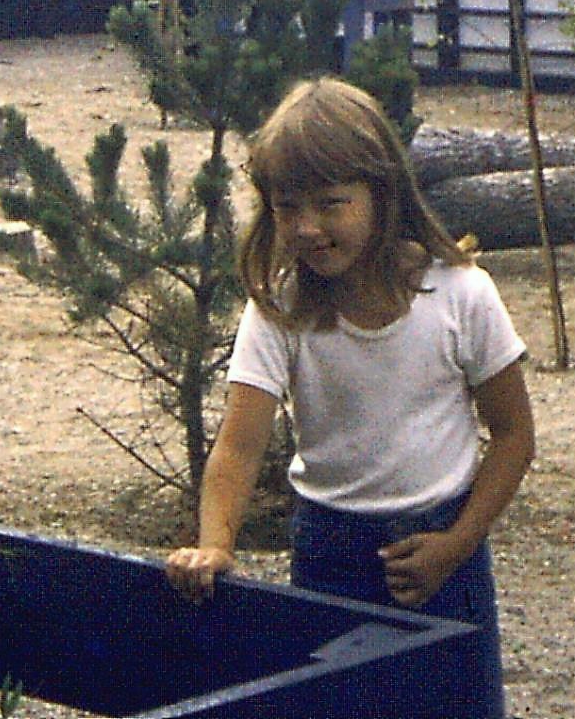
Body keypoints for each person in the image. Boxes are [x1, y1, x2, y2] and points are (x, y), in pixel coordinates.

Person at [165, 77, 533, 719]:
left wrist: (457, 543)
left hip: (445, 549)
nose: (306, 228)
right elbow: (238, 448)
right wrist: (217, 542)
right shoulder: (279, 309)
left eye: (330, 204)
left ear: (382, 195)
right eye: (287, 208)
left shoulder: (461, 294)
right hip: (328, 551)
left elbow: (513, 435)